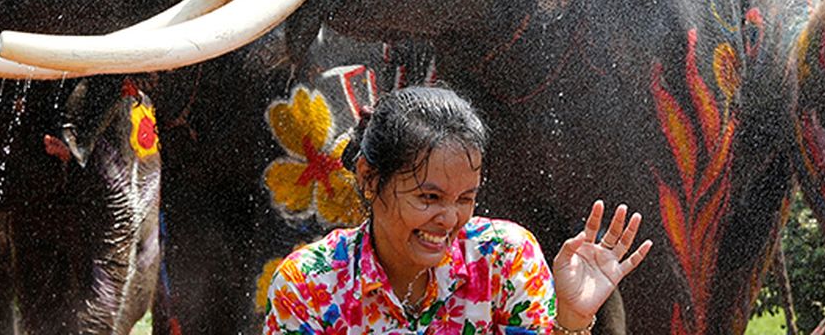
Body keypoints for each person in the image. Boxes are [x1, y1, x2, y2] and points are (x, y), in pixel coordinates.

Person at [264, 86, 652, 334]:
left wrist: (570, 317)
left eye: (465, 199)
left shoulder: (505, 258)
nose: (450, 220)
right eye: (429, 198)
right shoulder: (308, 285)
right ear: (368, 178)